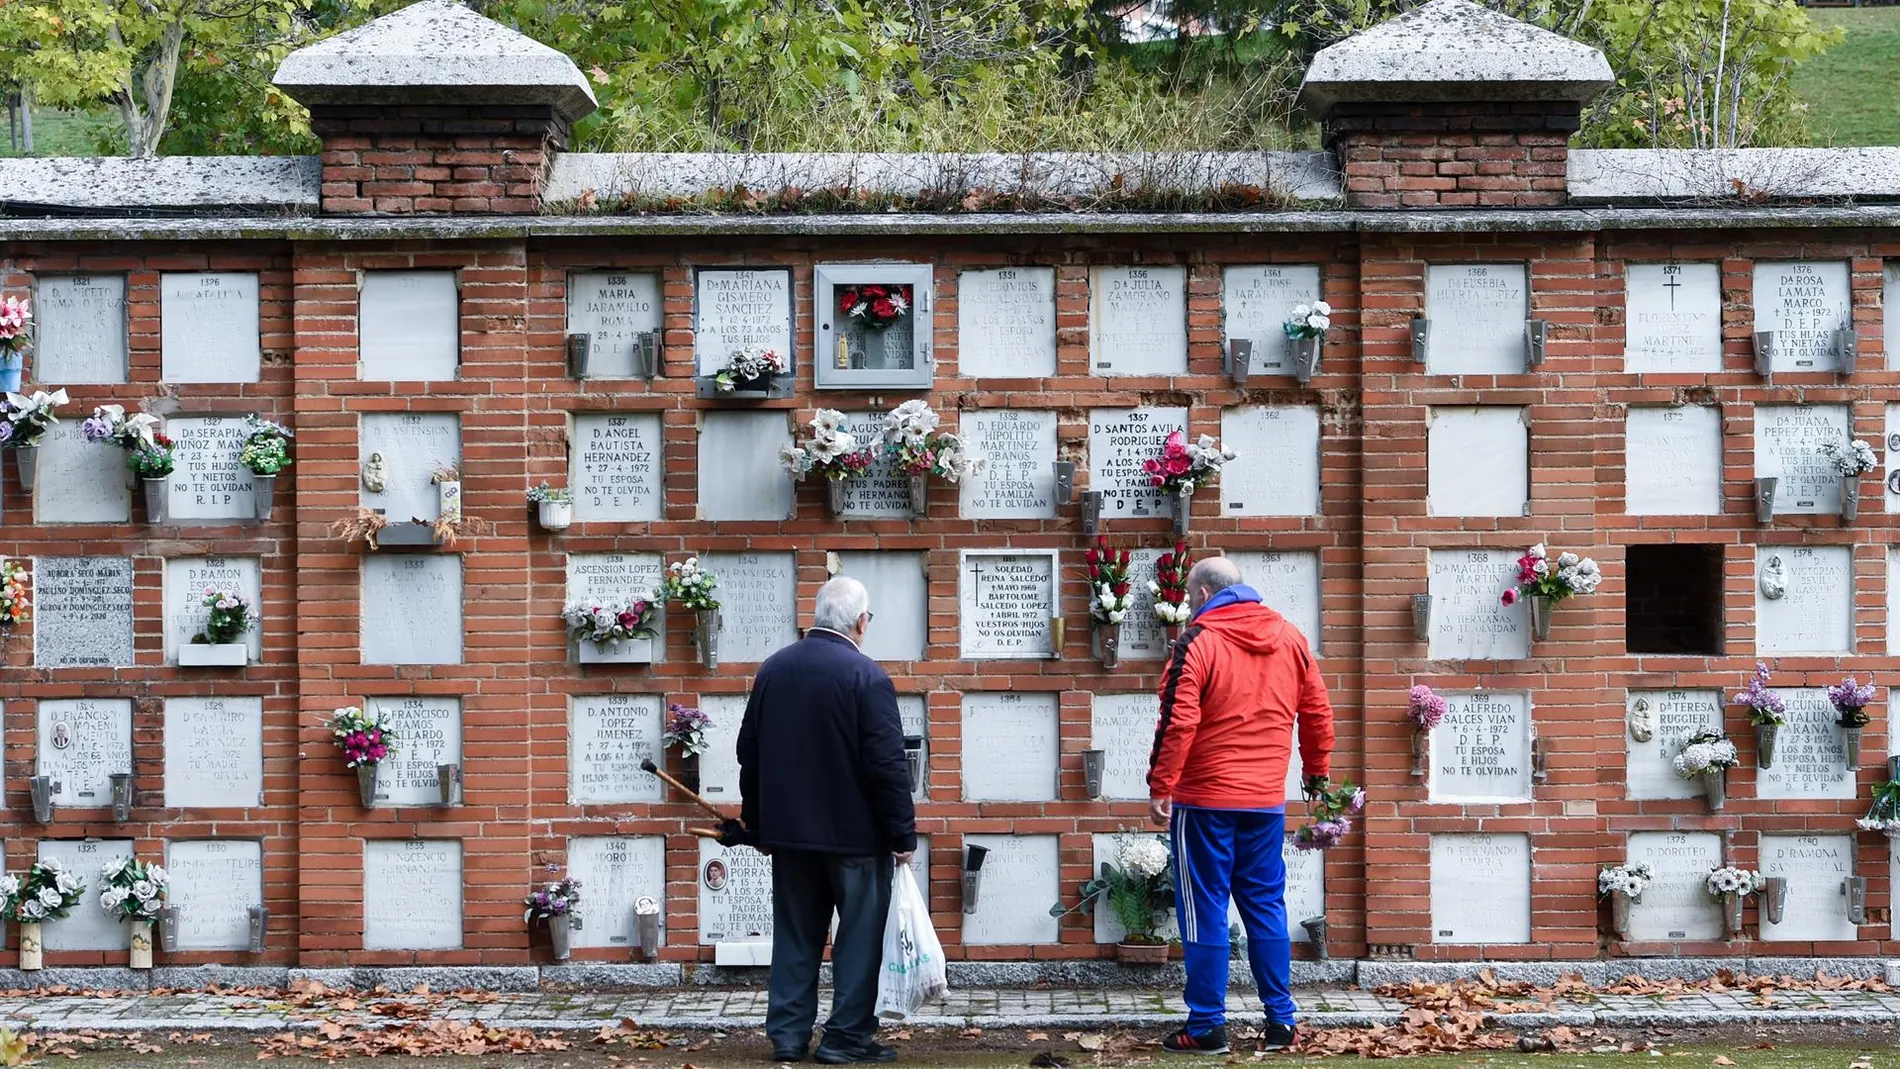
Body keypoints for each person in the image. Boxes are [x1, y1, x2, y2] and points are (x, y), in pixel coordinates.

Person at [1147, 556, 1335, 1056]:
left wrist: (1160, 785)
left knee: (1203, 908)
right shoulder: (1290, 636)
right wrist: (1316, 772)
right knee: (1266, 905)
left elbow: (1178, 720)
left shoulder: (1199, 641)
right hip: (1265, 802)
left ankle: (1207, 1025)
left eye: (1189, 600)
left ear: (1205, 594)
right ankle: (1282, 1021)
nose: (1187, 609)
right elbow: (1316, 709)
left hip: (1204, 800)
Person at [738, 576, 917, 1065]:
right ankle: (844, 1040)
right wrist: (902, 834)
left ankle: (788, 1039)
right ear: (861, 622)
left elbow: (748, 752)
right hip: (856, 841)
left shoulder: (774, 670)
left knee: (796, 938)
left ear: (817, 616)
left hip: (791, 839)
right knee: (858, 942)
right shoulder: (867, 677)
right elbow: (886, 765)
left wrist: (757, 824)